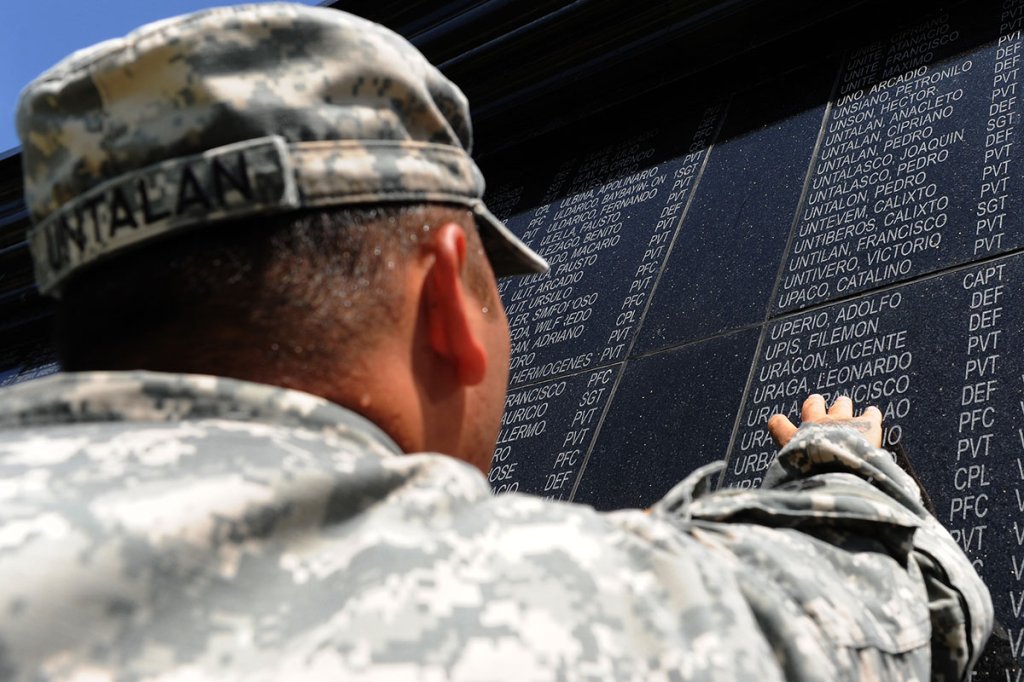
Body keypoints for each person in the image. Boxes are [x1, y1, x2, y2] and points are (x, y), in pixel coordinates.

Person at [0, 4, 990, 680]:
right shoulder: (517, 605)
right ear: (442, 294)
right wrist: (845, 468)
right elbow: (879, 610)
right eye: (491, 286)